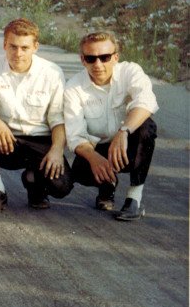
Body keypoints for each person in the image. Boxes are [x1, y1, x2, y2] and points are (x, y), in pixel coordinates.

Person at [0, 18, 72, 213]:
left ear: (35, 47)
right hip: (5, 139)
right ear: (5, 44)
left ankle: (34, 182)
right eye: (13, 46)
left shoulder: (52, 73)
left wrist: (57, 149)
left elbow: (59, 119)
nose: (18, 53)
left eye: (24, 48)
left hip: (40, 141)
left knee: (61, 186)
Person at [64, 31, 157, 221]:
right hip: (98, 149)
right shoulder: (73, 88)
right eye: (91, 59)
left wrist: (123, 132)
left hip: (125, 145)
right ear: (83, 60)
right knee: (80, 173)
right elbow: (74, 136)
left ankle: (134, 199)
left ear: (115, 57)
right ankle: (107, 186)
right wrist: (94, 158)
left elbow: (146, 102)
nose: (98, 64)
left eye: (104, 57)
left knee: (147, 126)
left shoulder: (130, 72)